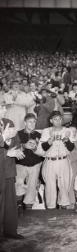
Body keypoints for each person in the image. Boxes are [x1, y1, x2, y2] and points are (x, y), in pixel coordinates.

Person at [38, 111, 75, 209]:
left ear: (62, 120)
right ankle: (51, 210)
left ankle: (62, 211)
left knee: (64, 186)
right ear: (51, 120)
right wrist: (49, 141)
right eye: (55, 119)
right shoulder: (46, 131)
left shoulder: (68, 130)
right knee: (50, 188)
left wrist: (67, 140)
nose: (58, 121)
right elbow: (43, 147)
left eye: (59, 119)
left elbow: (71, 148)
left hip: (63, 161)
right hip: (50, 161)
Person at [0, 101, 25, 239]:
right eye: (2, 107)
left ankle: (10, 231)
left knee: (9, 202)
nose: (5, 109)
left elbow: (16, 141)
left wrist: (10, 144)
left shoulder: (8, 122)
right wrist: (6, 151)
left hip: (8, 169)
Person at [15, 113, 43, 210]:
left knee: (32, 187)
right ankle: (18, 206)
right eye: (30, 122)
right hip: (20, 165)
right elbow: (12, 148)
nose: (32, 124)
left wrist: (36, 148)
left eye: (34, 122)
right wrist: (24, 146)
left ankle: (29, 208)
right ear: (25, 123)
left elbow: (43, 153)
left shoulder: (39, 135)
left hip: (35, 165)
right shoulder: (18, 134)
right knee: (18, 184)